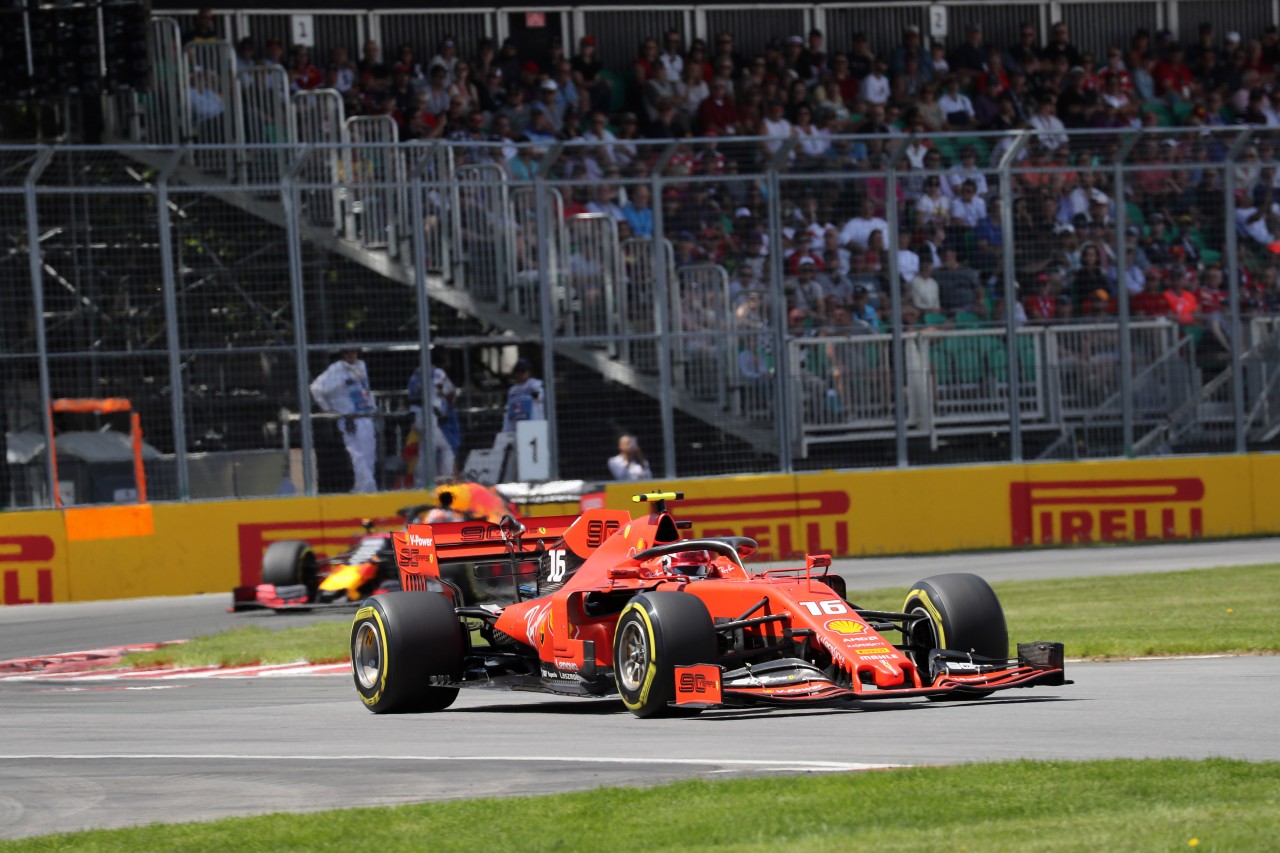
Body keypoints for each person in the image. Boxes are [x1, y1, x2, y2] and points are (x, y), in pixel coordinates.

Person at [309, 345, 378, 493]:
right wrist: (328, 409)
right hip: (349, 419)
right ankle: (368, 487)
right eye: (347, 352)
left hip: (365, 414)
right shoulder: (336, 370)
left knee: (369, 453)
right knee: (357, 455)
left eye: (353, 352)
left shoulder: (361, 367)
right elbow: (316, 388)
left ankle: (363, 486)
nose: (351, 355)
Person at [503, 358, 545, 433]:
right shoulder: (512, 390)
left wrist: (532, 389)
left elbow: (540, 397)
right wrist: (506, 430)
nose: (520, 373)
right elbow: (509, 411)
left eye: (523, 370)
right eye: (517, 370)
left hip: (533, 427)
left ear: (529, 372)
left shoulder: (535, 384)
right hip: (517, 427)